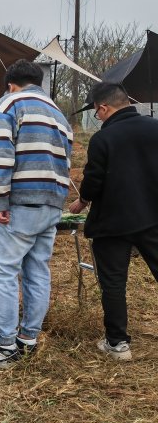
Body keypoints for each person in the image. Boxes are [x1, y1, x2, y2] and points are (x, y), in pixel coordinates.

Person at [0, 59, 73, 368]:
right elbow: (66, 160)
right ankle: (27, 340)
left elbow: (0, 153)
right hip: (52, 202)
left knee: (3, 271)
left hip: (21, 203)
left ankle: (4, 347)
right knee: (37, 270)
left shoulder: (10, 103)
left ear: (11, 84)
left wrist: (0, 201)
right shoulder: (58, 114)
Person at [68, 81, 158, 362]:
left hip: (113, 221)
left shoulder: (103, 139)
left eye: (96, 112)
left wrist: (81, 201)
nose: (98, 117)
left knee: (114, 284)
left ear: (104, 108)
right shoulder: (155, 127)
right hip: (154, 216)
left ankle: (118, 343)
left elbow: (94, 180)